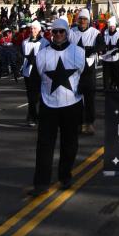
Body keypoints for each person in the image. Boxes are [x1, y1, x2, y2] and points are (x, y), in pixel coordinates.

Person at [30, 17, 85, 195]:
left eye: (61, 31)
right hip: (49, 104)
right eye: (55, 32)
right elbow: (36, 78)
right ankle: (41, 183)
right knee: (44, 145)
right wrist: (34, 106)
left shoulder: (78, 52)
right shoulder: (42, 54)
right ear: (51, 34)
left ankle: (65, 176)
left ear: (67, 32)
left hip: (72, 104)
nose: (58, 35)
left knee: (70, 144)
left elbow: (84, 76)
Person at [68, 7, 103, 134]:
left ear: (88, 20)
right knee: (76, 98)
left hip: (89, 68)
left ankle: (90, 123)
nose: (82, 21)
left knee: (89, 97)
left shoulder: (95, 33)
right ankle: (79, 123)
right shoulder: (72, 31)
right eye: (80, 19)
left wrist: (91, 50)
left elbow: (101, 45)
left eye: (84, 19)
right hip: (74, 69)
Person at [21, 20, 48, 126]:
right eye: (31, 28)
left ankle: (35, 116)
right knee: (31, 96)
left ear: (39, 30)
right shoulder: (25, 42)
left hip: (39, 72)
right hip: (28, 73)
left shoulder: (45, 43)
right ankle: (32, 116)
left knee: (39, 96)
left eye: (35, 28)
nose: (32, 30)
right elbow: (23, 55)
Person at [100, 16, 119, 91]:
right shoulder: (105, 33)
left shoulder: (118, 34)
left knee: (116, 74)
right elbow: (102, 43)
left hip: (115, 58)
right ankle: (106, 89)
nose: (111, 28)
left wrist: (116, 50)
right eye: (110, 26)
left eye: (113, 26)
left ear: (115, 26)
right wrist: (102, 50)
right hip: (106, 58)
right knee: (106, 75)